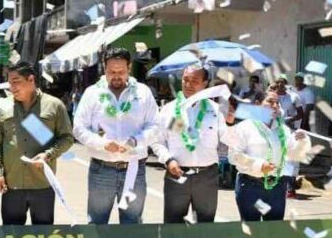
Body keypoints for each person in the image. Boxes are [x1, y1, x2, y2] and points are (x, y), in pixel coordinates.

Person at [72, 47, 159, 224]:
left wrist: (136, 141)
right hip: (101, 171)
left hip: (134, 171)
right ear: (104, 69)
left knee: (132, 223)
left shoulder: (143, 93)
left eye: (121, 71)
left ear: (129, 67)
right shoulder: (92, 94)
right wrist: (102, 143)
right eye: (111, 72)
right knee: (96, 222)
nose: (116, 76)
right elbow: (79, 128)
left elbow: (156, 126)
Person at [0, 61, 74, 225]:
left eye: (16, 82)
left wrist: (48, 154)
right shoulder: (3, 107)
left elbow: (67, 138)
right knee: (12, 237)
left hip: (42, 185)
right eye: (10, 83)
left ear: (31, 79)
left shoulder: (54, 106)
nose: (12, 88)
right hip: (12, 185)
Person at [151, 64, 230, 223]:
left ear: (205, 83)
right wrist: (168, 160)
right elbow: (157, 141)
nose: (188, 85)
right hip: (176, 175)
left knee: (205, 227)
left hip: (207, 177)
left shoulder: (216, 110)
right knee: (173, 226)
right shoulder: (168, 110)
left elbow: (228, 140)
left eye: (194, 80)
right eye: (185, 80)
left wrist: (232, 123)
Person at [224, 90, 311, 222]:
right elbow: (233, 156)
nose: (275, 106)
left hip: (277, 187)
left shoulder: (282, 130)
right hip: (250, 187)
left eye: (277, 103)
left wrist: (303, 141)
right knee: (252, 230)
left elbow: (294, 154)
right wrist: (258, 165)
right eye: (270, 102)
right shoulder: (244, 127)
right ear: (258, 104)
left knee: (274, 231)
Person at [273, 76, 304, 198]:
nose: (280, 84)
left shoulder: (294, 97)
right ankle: (277, 185)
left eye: (283, 82)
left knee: (292, 158)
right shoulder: (271, 97)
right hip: (275, 132)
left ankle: (291, 188)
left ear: (286, 84)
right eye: (278, 82)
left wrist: (292, 119)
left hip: (291, 131)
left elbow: (301, 113)